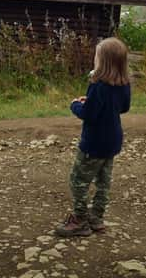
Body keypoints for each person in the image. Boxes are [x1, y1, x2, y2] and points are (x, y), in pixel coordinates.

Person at [55, 37, 131, 237]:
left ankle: (80, 220)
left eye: (96, 57)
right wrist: (93, 104)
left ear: (102, 61)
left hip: (94, 143)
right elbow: (124, 107)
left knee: (78, 180)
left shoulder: (98, 86)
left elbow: (88, 114)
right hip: (113, 141)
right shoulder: (124, 83)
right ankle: (97, 219)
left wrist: (76, 104)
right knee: (103, 182)